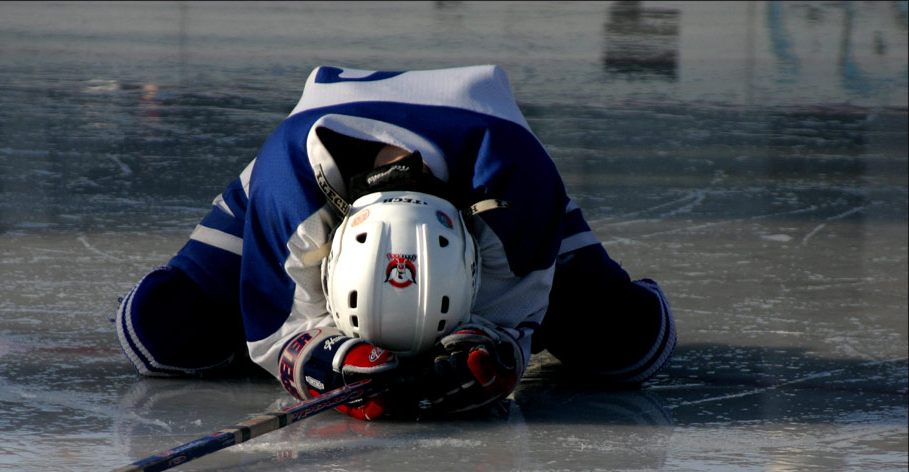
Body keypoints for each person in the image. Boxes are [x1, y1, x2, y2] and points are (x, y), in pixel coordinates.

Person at [116, 65, 676, 420]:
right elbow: (277, 331)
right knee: (160, 330)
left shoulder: (514, 188)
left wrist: (488, 356)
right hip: (305, 176)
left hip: (493, 165)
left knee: (628, 343)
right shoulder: (292, 191)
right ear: (331, 257)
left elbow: (510, 324)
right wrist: (330, 363)